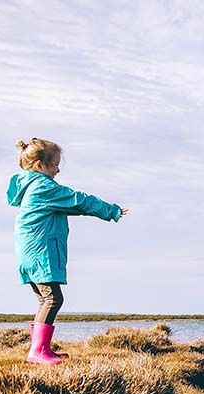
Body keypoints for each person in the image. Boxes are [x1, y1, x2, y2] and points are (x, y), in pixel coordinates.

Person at [7, 138, 128, 364]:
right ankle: (37, 351)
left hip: (29, 252)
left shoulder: (31, 187)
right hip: (40, 251)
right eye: (54, 164)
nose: (58, 169)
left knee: (44, 300)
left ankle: (42, 349)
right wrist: (111, 210)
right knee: (53, 298)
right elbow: (78, 201)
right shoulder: (44, 187)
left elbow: (73, 207)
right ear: (39, 166)